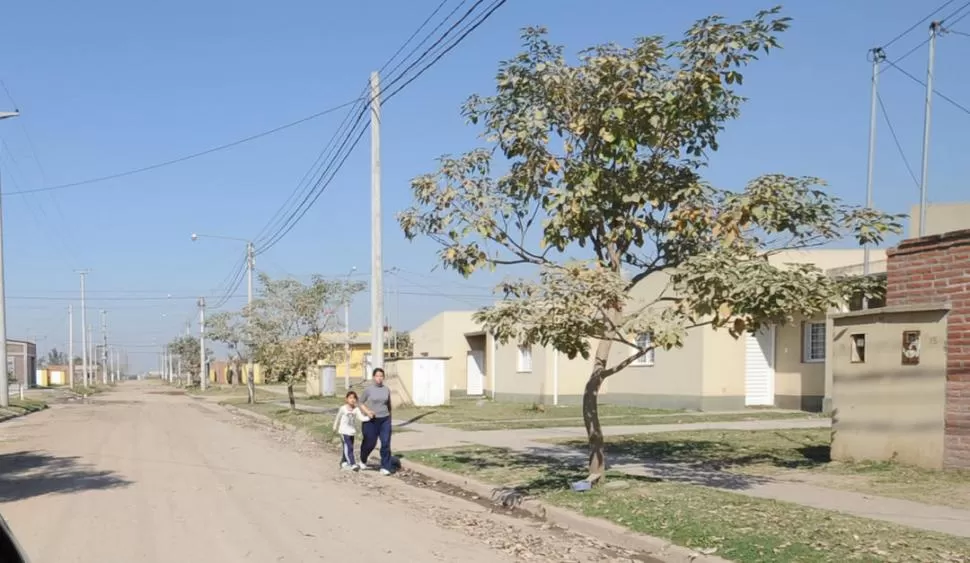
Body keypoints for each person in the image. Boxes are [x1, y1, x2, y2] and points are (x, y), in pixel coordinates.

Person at [358, 367, 393, 475]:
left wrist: (390, 418)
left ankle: (385, 467)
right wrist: (367, 411)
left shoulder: (386, 389)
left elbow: (389, 404)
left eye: (381, 376)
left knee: (385, 443)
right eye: (377, 376)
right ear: (373, 377)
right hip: (371, 420)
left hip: (384, 419)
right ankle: (363, 459)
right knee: (370, 443)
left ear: (383, 377)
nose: (379, 378)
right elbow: (360, 402)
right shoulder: (368, 390)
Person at [332, 390, 370, 470]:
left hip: (351, 432)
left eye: (354, 398)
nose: (352, 400)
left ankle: (343, 462)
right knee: (349, 447)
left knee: (348, 447)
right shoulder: (343, 408)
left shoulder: (356, 409)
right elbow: (338, 417)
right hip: (343, 431)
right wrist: (335, 426)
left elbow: (361, 418)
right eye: (350, 398)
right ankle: (352, 464)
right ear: (346, 399)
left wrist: (370, 417)